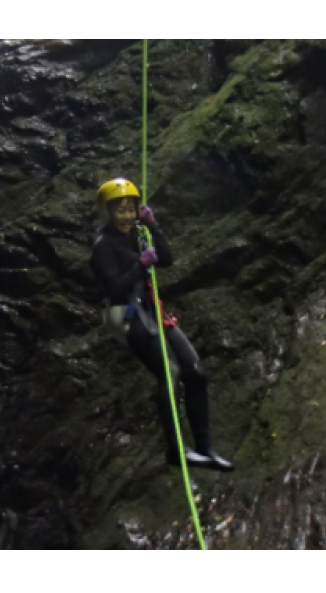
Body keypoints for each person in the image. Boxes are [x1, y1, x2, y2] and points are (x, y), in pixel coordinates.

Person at [89, 178, 233, 471]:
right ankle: (176, 450)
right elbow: (113, 289)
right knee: (170, 373)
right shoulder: (103, 246)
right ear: (108, 212)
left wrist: (153, 225)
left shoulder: (138, 233)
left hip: (152, 312)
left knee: (196, 372)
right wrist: (140, 265)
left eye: (131, 209)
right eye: (121, 211)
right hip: (125, 315)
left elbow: (166, 260)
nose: (127, 216)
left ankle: (204, 449)